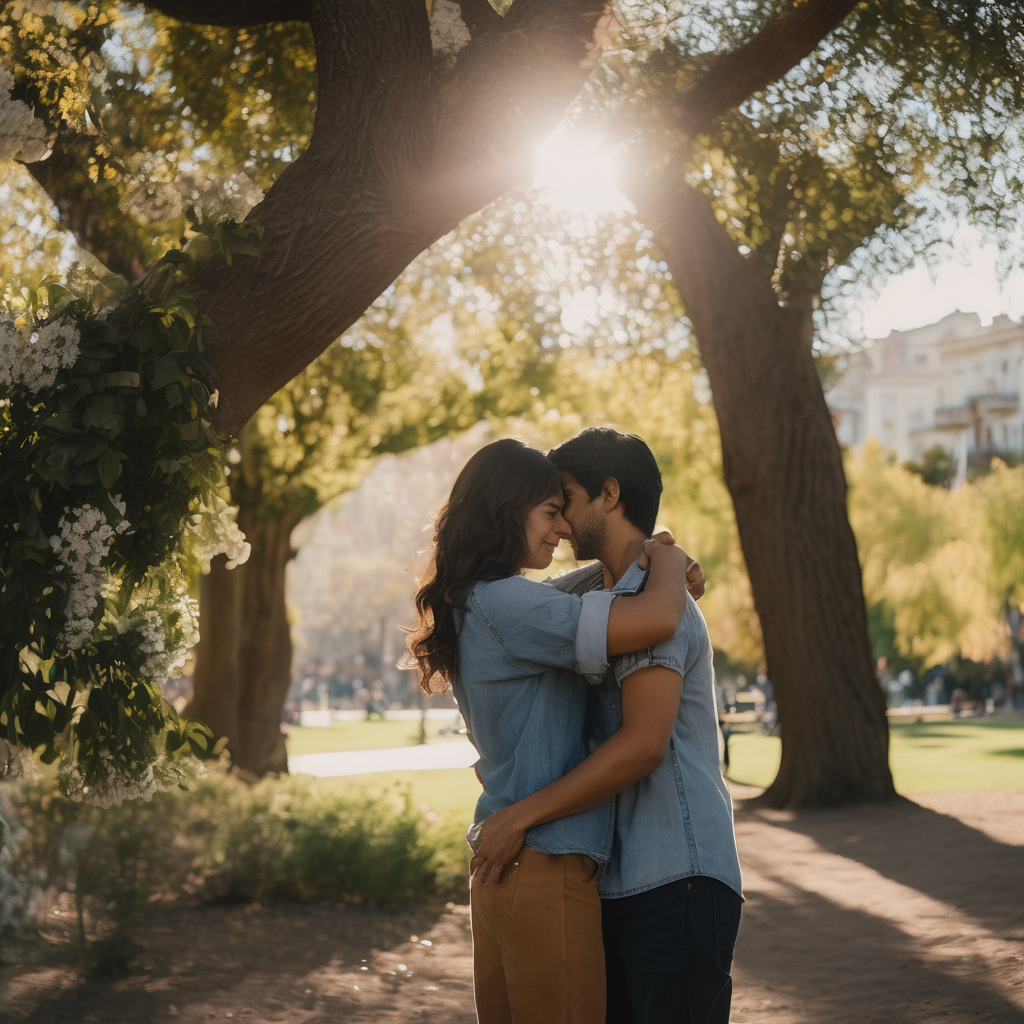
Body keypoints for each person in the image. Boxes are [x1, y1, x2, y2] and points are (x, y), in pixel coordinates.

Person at [408, 437, 695, 1024]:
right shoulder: (508, 605)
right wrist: (668, 561)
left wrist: (645, 561)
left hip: (504, 871)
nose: (563, 529)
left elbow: (598, 587)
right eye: (549, 511)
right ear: (505, 511)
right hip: (544, 865)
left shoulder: (481, 600)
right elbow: (656, 616)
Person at [471, 428, 743, 1024]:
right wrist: (670, 553)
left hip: (678, 873)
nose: (561, 522)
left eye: (565, 498)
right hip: (622, 880)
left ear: (610, 494)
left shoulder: (648, 595)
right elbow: (532, 605)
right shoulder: (615, 591)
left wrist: (520, 814)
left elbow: (644, 745)